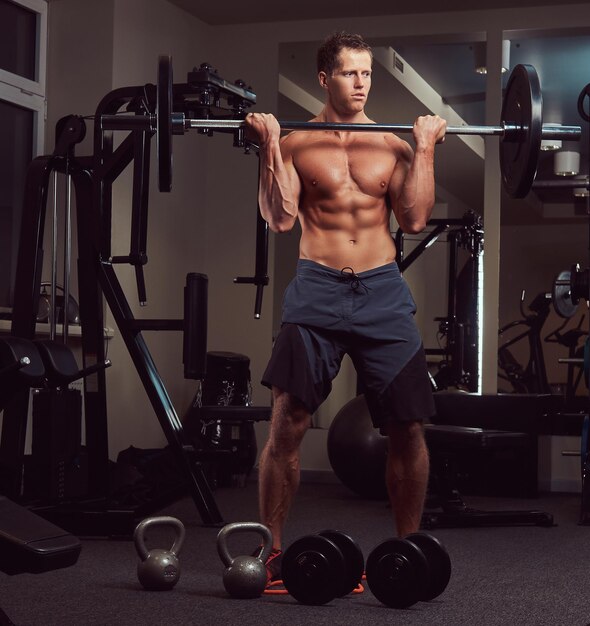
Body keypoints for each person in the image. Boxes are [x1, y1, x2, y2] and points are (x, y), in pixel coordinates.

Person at [245, 31, 447, 583]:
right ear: (324, 78)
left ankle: (409, 552)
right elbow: (281, 217)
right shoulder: (294, 144)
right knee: (288, 422)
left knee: (408, 425)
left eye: (367, 75)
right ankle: (274, 553)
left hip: (381, 291)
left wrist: (425, 147)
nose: (361, 84)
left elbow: (413, 219)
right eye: (350, 73)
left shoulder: (392, 145)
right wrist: (267, 145)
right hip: (317, 288)